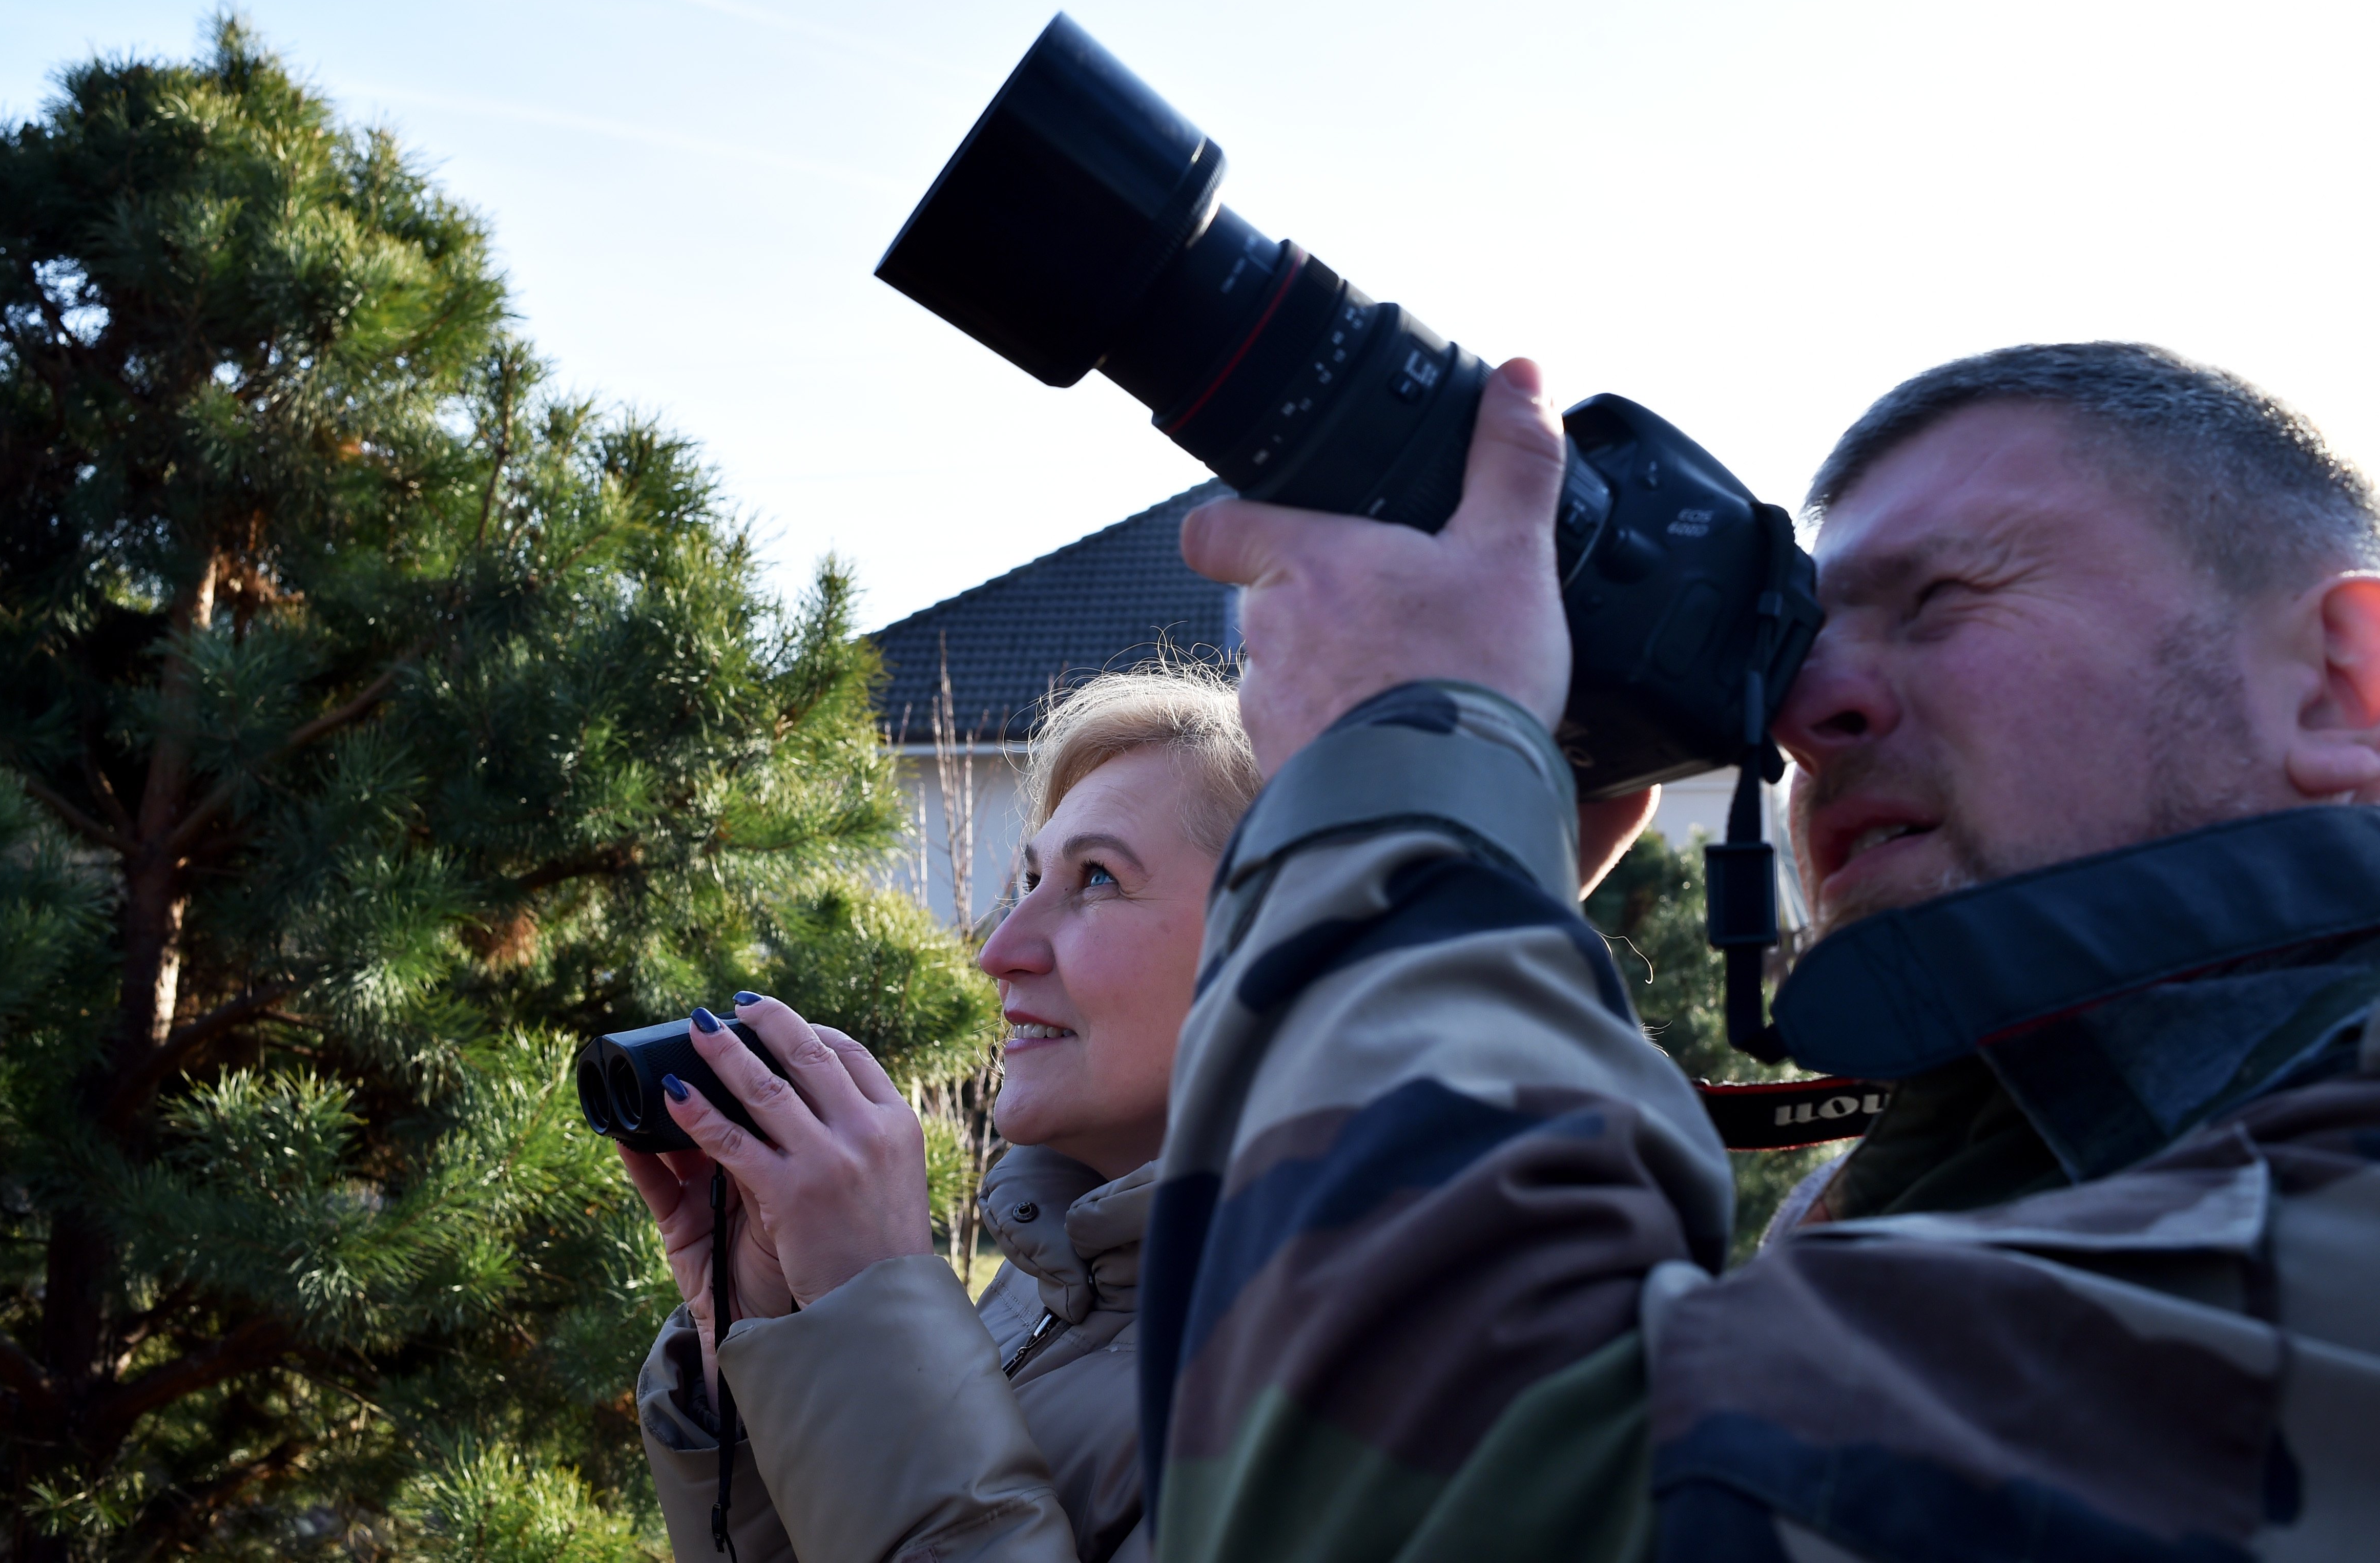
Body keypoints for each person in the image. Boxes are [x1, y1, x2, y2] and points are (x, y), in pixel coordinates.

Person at [1137, 342, 2380, 1560]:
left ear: (2340, 683)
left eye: (1941, 599)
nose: (1807, 711)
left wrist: (1414, 779)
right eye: (1797, 644)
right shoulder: (1953, 1194)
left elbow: (1445, 1506)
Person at [623, 666, 1257, 1562]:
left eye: (1098, 879)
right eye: (1030, 877)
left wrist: (864, 1298)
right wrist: (751, 1355)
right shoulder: (1043, 1285)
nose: (998, 951)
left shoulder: (1338, 1384)